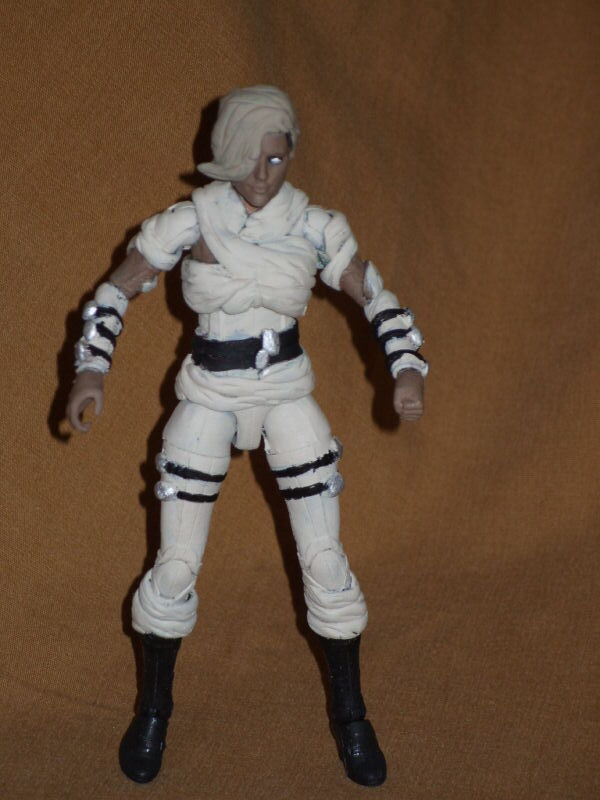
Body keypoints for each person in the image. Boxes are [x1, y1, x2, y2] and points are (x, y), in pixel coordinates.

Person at [66, 85, 427, 787]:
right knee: (175, 567)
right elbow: (118, 289)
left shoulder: (314, 226)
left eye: (276, 158)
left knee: (326, 561)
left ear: (291, 153)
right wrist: (91, 370)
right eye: (248, 159)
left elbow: (374, 295)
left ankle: (352, 716)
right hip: (209, 391)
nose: (262, 176)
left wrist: (406, 365)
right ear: (223, 155)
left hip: (286, 391)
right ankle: (154, 710)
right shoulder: (192, 220)